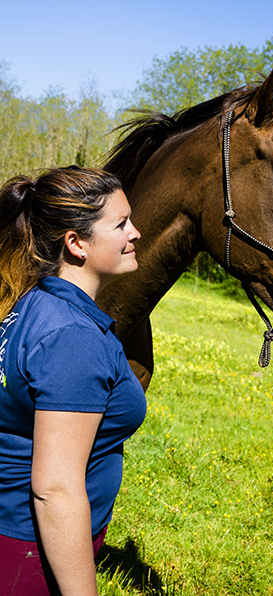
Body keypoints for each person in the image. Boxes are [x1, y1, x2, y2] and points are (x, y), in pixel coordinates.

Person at [0, 166, 147, 595]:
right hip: (31, 551)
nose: (136, 233)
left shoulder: (29, 301)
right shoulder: (73, 339)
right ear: (76, 243)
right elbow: (55, 490)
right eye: (121, 224)